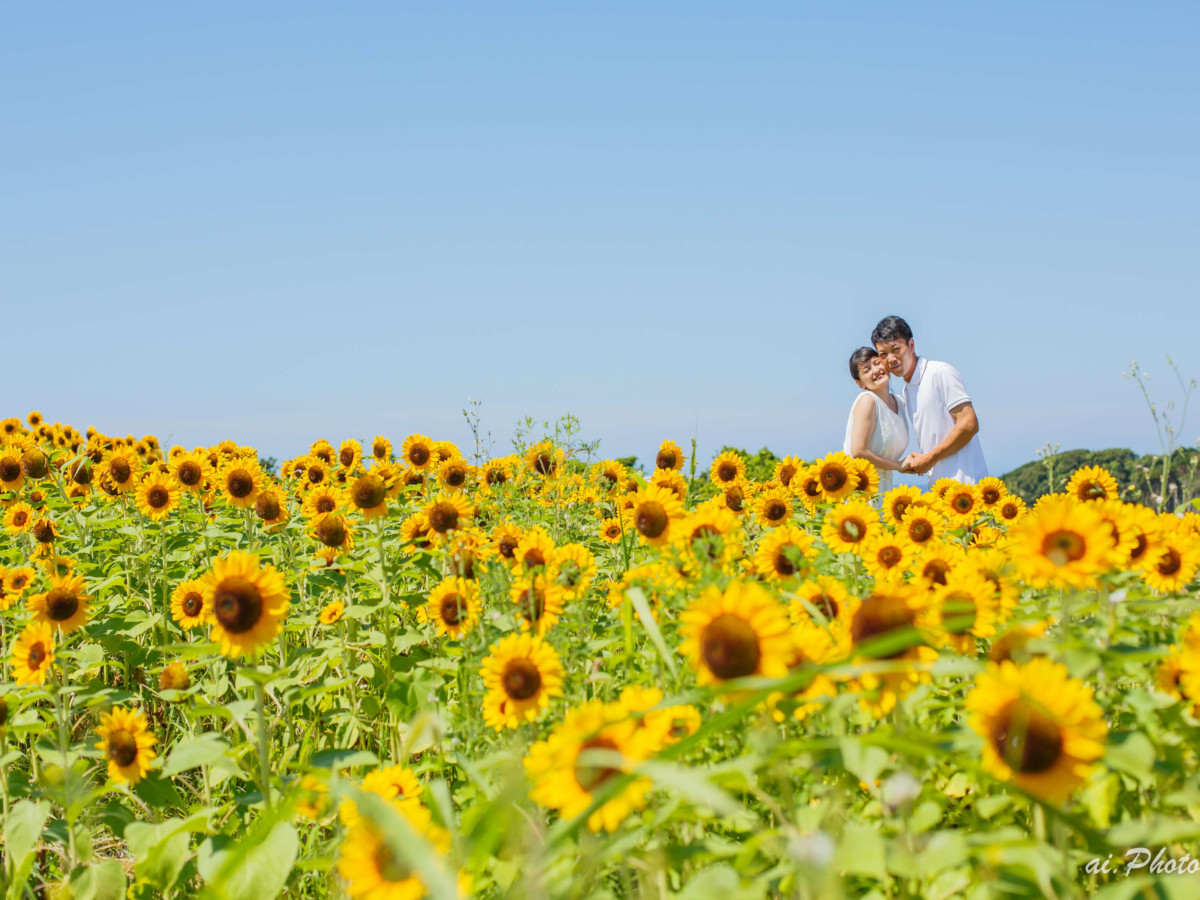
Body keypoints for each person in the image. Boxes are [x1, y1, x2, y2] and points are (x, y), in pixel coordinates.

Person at [871, 315, 988, 485]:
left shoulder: (940, 372)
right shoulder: (908, 389)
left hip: (968, 488)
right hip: (940, 488)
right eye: (883, 354)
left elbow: (969, 423)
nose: (890, 359)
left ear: (911, 345)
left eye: (896, 349)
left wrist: (930, 459)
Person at [843, 347, 909, 494]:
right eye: (866, 370)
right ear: (860, 383)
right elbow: (858, 451)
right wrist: (898, 466)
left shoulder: (900, 402)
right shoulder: (868, 401)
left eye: (877, 363)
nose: (875, 370)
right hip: (862, 489)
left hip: (884, 489)